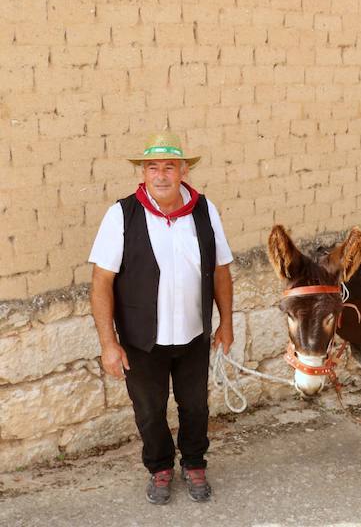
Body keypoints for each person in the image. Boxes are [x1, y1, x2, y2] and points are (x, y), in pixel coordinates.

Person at [89, 132, 235, 505]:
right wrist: (109, 343)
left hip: (194, 334)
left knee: (196, 405)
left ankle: (194, 461)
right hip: (142, 340)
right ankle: (159, 468)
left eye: (169, 167)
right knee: (150, 411)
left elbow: (220, 270)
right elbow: (101, 282)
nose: (161, 175)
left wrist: (227, 324)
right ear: (143, 172)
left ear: (183, 170)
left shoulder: (204, 210)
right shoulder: (121, 214)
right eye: (152, 167)